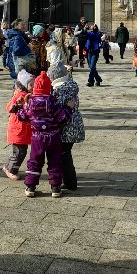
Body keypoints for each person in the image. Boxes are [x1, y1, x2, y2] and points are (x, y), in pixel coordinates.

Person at [17, 72, 71, 199]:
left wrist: (21, 106)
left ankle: (30, 186)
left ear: (35, 88)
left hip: (37, 138)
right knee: (55, 161)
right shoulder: (53, 102)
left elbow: (22, 117)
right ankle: (56, 187)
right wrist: (69, 108)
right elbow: (62, 117)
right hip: (53, 137)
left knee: (35, 161)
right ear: (49, 88)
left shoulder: (30, 102)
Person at [49, 62, 85, 191]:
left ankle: (70, 183)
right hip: (75, 125)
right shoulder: (71, 85)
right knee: (66, 153)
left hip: (66, 128)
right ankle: (69, 180)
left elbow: (58, 111)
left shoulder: (59, 91)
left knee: (64, 156)